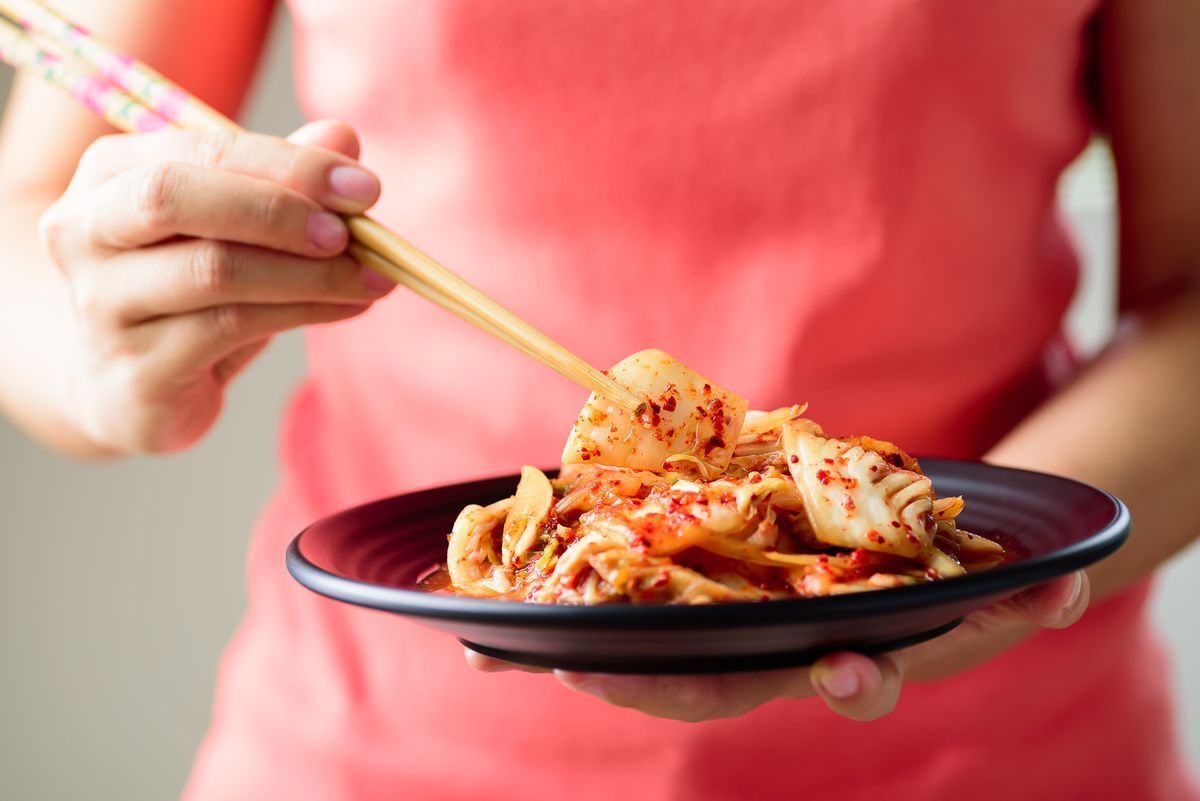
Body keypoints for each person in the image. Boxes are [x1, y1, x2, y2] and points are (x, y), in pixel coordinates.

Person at [0, 1, 1196, 798]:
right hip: (380, 751)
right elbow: (30, 216)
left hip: (1008, 752)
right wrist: (106, 365)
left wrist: (946, 585)